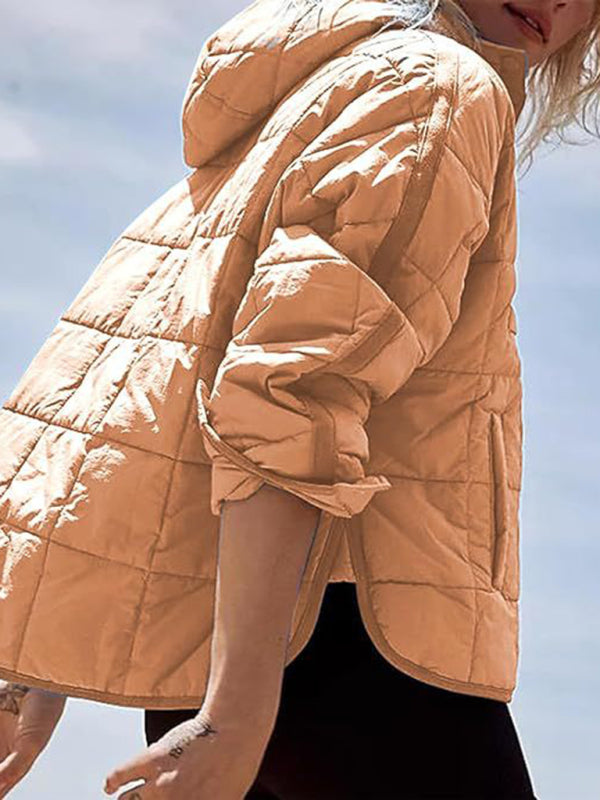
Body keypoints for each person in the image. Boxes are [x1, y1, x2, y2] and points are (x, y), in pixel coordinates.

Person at [0, 0, 597, 797]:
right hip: (345, 646)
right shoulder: (442, 90)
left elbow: (142, 386)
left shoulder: (316, 85)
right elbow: (289, 389)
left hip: (233, 657)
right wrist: (236, 719)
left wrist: (37, 666)